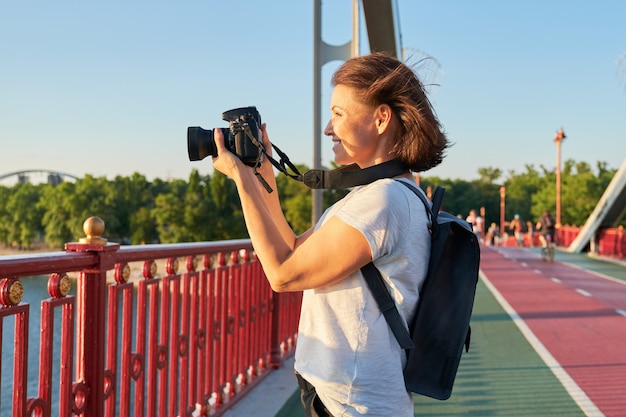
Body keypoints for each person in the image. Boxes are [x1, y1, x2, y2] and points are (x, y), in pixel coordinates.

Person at [212, 52, 449, 416]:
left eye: (338, 114)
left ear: (381, 118)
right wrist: (263, 173)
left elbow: (282, 274)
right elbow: (291, 249)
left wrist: (242, 180)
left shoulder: (383, 200)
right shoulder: (382, 194)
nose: (328, 128)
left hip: (355, 403)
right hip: (347, 397)